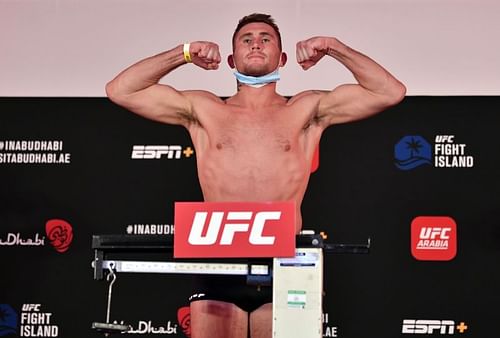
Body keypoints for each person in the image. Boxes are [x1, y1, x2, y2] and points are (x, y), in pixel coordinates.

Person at [106, 13, 406, 338]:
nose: (256, 43)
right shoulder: (204, 110)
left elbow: (389, 92)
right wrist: (186, 52)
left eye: (266, 38)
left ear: (283, 57)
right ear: (232, 59)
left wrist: (334, 47)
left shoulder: (305, 110)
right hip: (217, 259)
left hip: (285, 258)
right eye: (246, 39)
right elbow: (121, 90)